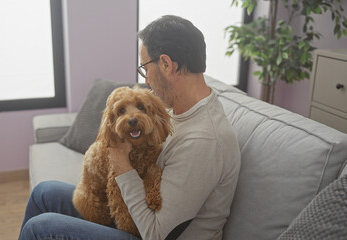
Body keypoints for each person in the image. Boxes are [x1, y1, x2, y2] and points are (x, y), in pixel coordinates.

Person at [19, 15, 240, 240]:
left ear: (166, 64)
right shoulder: (176, 108)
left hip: (149, 233)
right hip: (135, 212)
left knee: (40, 227)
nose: (146, 81)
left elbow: (155, 232)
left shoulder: (203, 141)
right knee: (43, 193)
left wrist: (121, 163)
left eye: (145, 68)